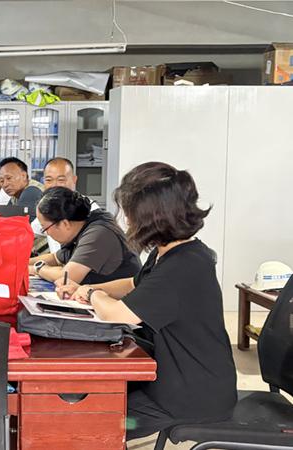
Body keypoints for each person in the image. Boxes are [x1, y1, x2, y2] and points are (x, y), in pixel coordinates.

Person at [57, 162, 237, 440]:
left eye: (130, 214)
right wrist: (86, 287)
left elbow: (120, 314)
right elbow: (133, 284)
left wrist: (93, 295)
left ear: (151, 218)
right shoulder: (171, 252)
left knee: (88, 428)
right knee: (88, 400)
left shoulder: (183, 266)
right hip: (173, 377)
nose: (127, 222)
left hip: (190, 395)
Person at [31, 186, 140, 284]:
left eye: (45, 228)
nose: (47, 233)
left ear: (64, 224)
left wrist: (38, 268)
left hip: (120, 298)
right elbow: (56, 258)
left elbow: (67, 278)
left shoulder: (99, 233)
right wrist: (23, 264)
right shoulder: (78, 227)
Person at [0, 157, 44, 221]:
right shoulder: (16, 195)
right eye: (2, 181)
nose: (5, 184)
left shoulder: (32, 191)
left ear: (23, 176)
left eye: (9, 178)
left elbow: (18, 223)